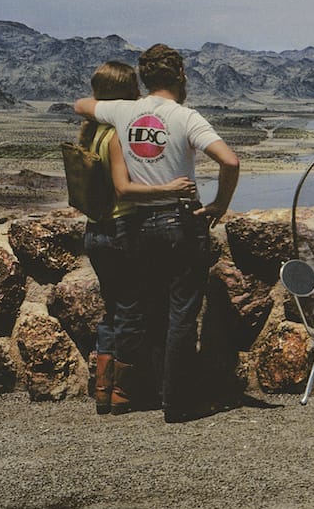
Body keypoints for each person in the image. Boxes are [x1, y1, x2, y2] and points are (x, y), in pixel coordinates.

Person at [75, 44, 240, 423]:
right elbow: (230, 160)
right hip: (180, 222)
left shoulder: (124, 111)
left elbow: (81, 105)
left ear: (145, 78)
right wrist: (219, 204)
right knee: (181, 312)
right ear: (181, 75)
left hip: (137, 227)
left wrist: (110, 103)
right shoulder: (186, 117)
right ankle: (176, 401)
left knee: (152, 309)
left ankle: (145, 390)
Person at [78, 61, 196, 415]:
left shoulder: (92, 132)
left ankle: (103, 389)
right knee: (130, 310)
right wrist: (170, 189)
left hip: (95, 230)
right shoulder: (117, 134)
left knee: (112, 309)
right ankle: (123, 392)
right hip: (120, 229)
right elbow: (123, 189)